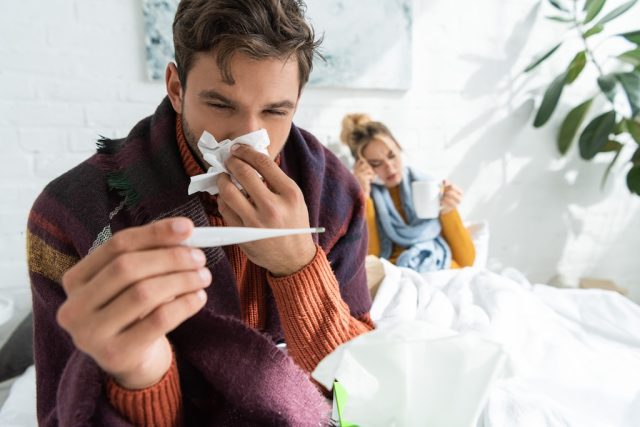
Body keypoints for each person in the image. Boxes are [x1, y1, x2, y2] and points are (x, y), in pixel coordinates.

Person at [26, 1, 374, 425]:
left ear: (297, 102)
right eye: (221, 105)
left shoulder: (336, 196)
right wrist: (139, 372)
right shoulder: (71, 214)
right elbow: (62, 412)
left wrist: (298, 266)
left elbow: (363, 387)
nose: (247, 138)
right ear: (176, 88)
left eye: (275, 111)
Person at [341, 113, 476, 272]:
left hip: (442, 269)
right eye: (376, 163)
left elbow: (467, 260)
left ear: (399, 148)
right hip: (397, 273)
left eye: (392, 156)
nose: (390, 168)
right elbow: (371, 259)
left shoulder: (429, 186)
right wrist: (363, 196)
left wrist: (449, 210)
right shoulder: (363, 200)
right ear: (362, 166)